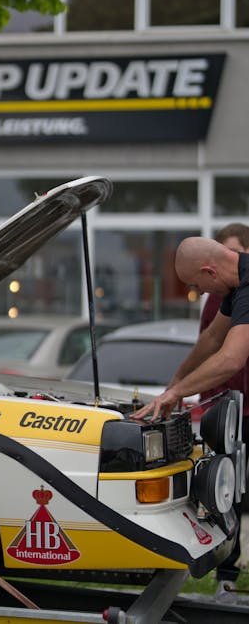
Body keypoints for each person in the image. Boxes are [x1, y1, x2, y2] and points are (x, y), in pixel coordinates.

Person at [132, 232, 249, 602]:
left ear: (210, 270)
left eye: (196, 285)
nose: (197, 293)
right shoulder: (236, 287)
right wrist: (175, 384)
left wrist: (177, 393)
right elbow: (212, 340)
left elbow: (231, 358)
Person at [198, 224, 249, 600]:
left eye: (232, 252)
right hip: (226, 409)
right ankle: (226, 578)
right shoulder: (218, 297)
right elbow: (210, 343)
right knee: (224, 497)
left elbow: (232, 354)